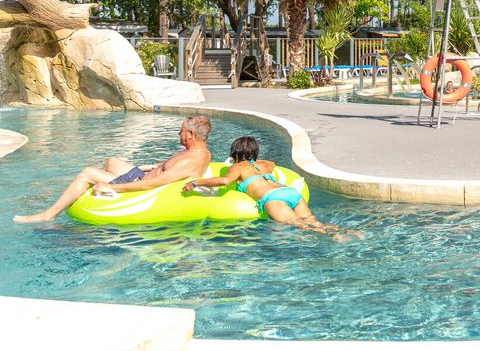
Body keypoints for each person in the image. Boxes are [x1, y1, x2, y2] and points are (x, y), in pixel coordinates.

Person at [14, 115, 213, 223]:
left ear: (190, 134)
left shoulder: (191, 160)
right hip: (141, 176)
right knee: (112, 162)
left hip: (139, 185)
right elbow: (164, 170)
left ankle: (48, 214)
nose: (179, 134)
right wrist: (149, 166)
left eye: (181, 131)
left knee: (87, 173)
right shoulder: (200, 152)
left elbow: (154, 183)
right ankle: (95, 189)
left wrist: (114, 188)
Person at [183, 136, 354, 238]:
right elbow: (272, 163)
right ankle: (347, 232)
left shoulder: (238, 167)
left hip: (273, 198)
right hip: (291, 193)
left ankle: (333, 236)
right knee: (313, 222)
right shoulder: (264, 166)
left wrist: (196, 182)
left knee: (299, 226)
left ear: (234, 152)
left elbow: (224, 181)